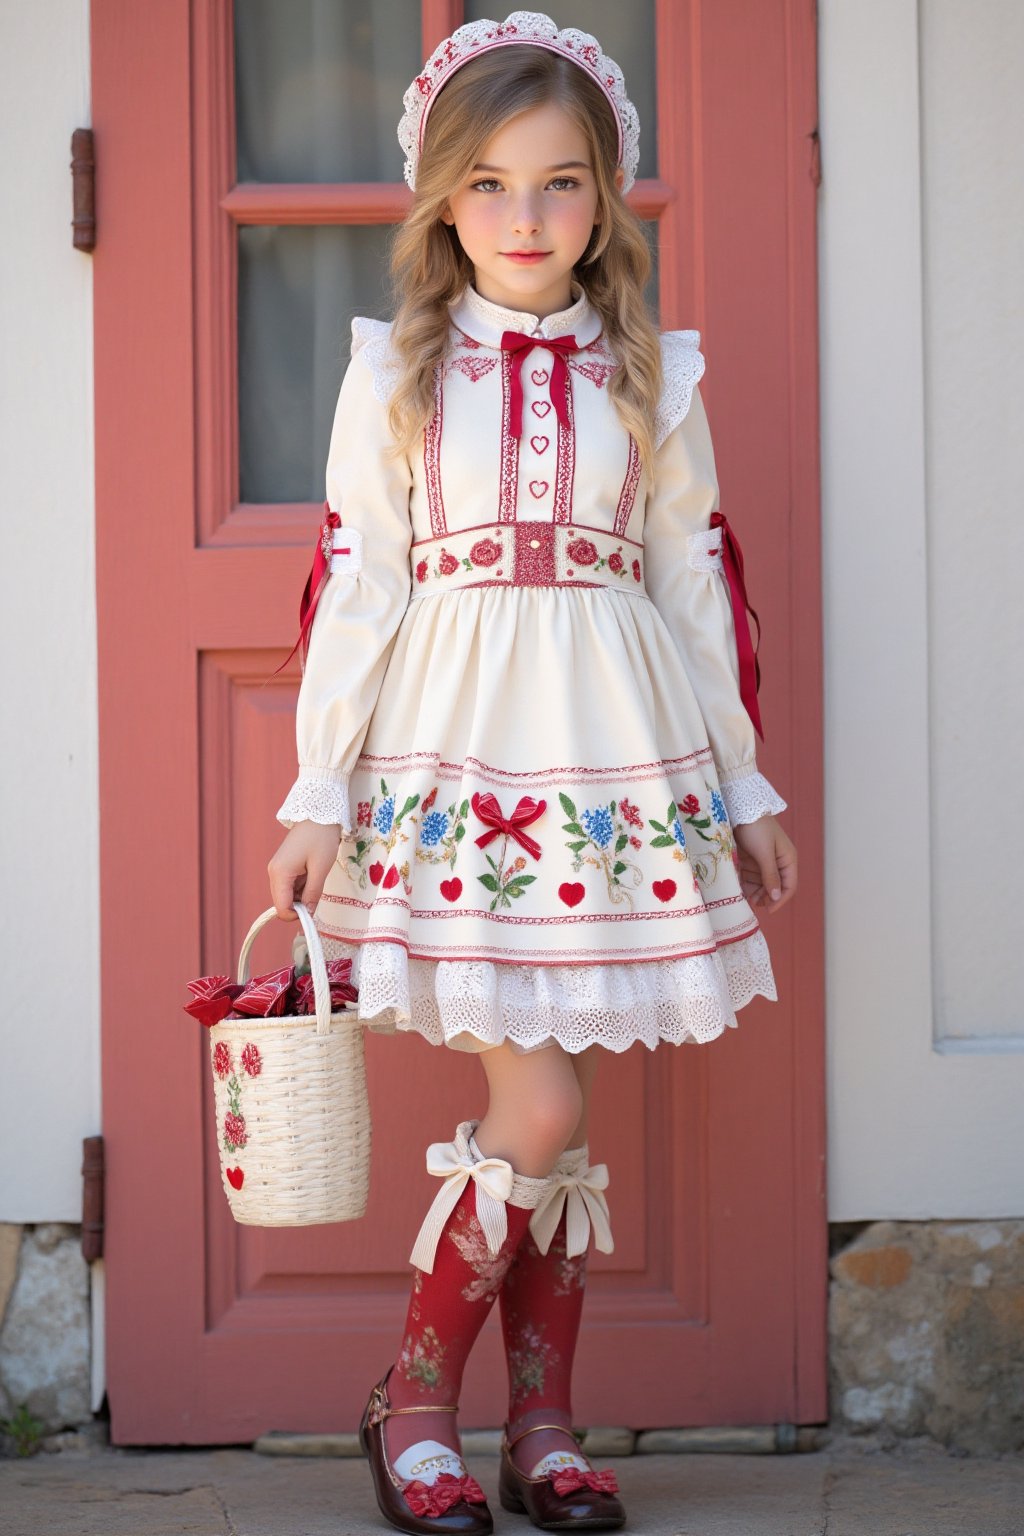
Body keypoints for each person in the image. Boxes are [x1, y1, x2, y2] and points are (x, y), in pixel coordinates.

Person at [267, 11, 798, 1532]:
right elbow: (358, 585)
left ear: (606, 200)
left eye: (562, 184)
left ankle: (540, 1423)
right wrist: (320, 792)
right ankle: (415, 1400)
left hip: (618, 764)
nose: (525, 217)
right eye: (489, 185)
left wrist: (746, 791)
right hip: (464, 761)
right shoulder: (404, 374)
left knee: (561, 1102)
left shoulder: (652, 372)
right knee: (544, 1108)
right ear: (441, 197)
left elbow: (696, 588)